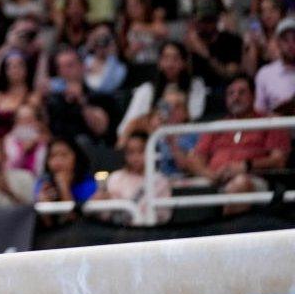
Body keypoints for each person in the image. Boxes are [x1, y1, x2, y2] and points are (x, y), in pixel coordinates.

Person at [189, 75, 291, 214]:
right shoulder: (217, 127)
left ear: (253, 96)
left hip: (254, 180)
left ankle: (224, 232)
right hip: (215, 179)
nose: (235, 97)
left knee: (239, 184)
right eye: (231, 93)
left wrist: (245, 166)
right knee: (168, 187)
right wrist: (211, 175)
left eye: (242, 92)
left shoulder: (270, 123)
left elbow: (279, 160)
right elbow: (196, 159)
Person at [118, 42, 207, 136]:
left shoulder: (195, 85)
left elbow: (195, 116)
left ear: (184, 62)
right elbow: (125, 127)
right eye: (165, 58)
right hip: (150, 139)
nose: (170, 64)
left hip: (183, 137)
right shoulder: (147, 89)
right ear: (159, 62)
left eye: (175, 58)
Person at [92, 132, 172, 225]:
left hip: (148, 233)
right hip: (116, 232)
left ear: (151, 151)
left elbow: (164, 216)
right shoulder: (115, 178)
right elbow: (105, 215)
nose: (135, 158)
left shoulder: (161, 181)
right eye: (130, 152)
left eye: (141, 151)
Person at [35, 137, 98, 225]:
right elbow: (45, 226)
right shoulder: (43, 184)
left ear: (76, 158)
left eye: (64, 155)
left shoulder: (88, 184)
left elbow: (75, 221)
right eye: (53, 156)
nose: (58, 161)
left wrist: (64, 188)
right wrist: (44, 204)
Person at [254, 17, 295, 114]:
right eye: (285, 40)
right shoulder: (265, 74)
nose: (291, 44)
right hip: (277, 127)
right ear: (278, 43)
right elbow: (259, 111)